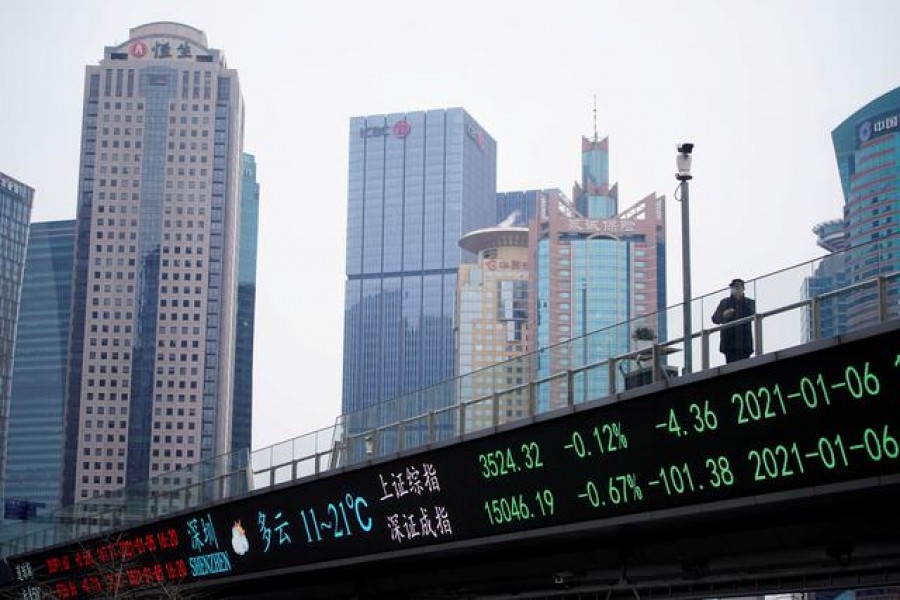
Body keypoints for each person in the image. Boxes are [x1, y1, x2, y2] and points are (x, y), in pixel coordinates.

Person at [712, 278, 756, 363]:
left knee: (746, 367)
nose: (735, 289)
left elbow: (752, 314)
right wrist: (723, 315)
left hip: (745, 343)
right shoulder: (725, 302)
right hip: (729, 343)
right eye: (733, 287)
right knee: (731, 367)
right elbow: (715, 319)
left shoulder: (749, 302)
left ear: (743, 288)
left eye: (738, 287)